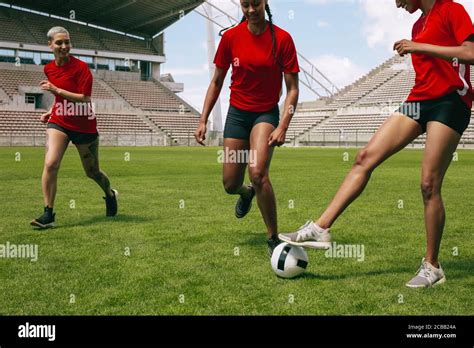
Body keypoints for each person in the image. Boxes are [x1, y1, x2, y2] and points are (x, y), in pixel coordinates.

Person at [280, 0, 474, 287]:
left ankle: (432, 267)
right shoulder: (418, 25)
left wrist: (418, 47)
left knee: (428, 184)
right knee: (364, 157)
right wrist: (417, 47)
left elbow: (470, 52)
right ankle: (321, 228)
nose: (397, 4)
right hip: (418, 101)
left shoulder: (451, 9)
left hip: (450, 101)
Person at [194, 0, 300, 256]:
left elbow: (293, 88)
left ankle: (273, 237)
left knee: (258, 172)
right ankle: (246, 194)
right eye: (245, 5)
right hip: (237, 115)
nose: (251, 10)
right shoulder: (230, 38)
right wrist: (203, 118)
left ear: (265, 3)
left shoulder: (282, 39)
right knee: (230, 183)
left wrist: (284, 124)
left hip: (265, 113)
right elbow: (217, 81)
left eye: (255, 4)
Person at [31, 26, 118, 229]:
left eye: (67, 42)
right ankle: (48, 214)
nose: (64, 46)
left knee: (92, 172)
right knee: (51, 164)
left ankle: (110, 194)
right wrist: (51, 111)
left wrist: (55, 89)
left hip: (84, 126)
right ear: (50, 45)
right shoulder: (49, 68)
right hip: (60, 122)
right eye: (59, 43)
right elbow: (59, 97)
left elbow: (84, 99)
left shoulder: (81, 68)